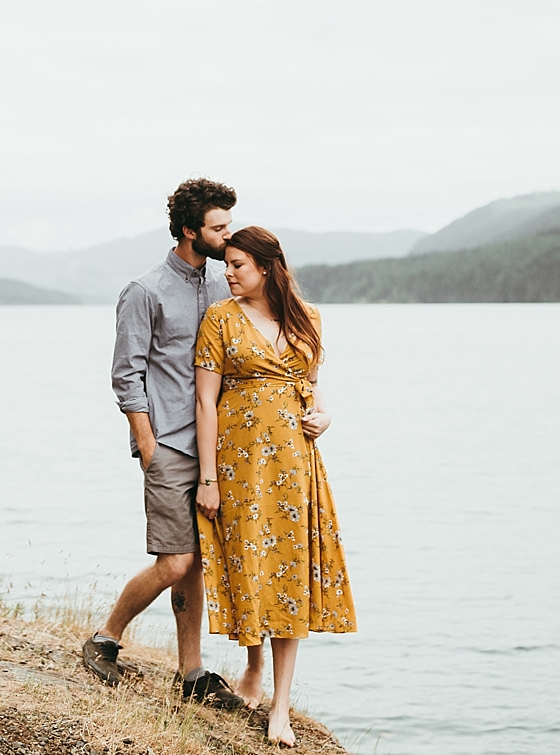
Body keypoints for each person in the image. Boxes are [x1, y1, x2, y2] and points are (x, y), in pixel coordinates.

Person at [82, 178, 249, 708]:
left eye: (228, 225)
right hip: (170, 446)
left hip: (218, 448)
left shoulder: (228, 285)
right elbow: (126, 375)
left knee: (197, 561)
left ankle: (191, 672)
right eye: (218, 227)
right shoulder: (145, 290)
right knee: (175, 562)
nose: (228, 235)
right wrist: (147, 444)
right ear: (188, 230)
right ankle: (105, 639)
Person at [194, 226, 357, 748]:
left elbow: (312, 391)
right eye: (228, 264)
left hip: (294, 465)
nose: (228, 273)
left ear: (266, 267)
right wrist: (207, 479)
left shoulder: (307, 318)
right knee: (251, 568)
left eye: (238, 265)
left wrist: (327, 417)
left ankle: (280, 708)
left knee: (290, 574)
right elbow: (204, 403)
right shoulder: (219, 318)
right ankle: (253, 665)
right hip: (239, 465)